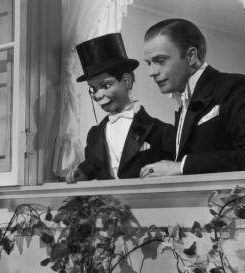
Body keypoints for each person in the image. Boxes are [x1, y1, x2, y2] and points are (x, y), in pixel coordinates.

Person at [140, 18, 245, 176]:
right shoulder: (184, 100)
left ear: (191, 56)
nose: (152, 72)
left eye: (160, 61)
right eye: (149, 63)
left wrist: (181, 166)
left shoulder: (235, 86)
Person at [67, 33, 175, 182]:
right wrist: (82, 173)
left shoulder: (161, 131)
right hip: (107, 203)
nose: (98, 95)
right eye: (93, 89)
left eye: (106, 85)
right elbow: (92, 165)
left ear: (126, 81)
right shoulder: (94, 135)